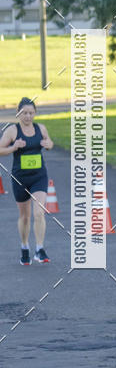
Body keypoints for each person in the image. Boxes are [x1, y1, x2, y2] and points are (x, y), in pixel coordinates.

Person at [0, 97, 54, 265]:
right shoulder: (12, 131)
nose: (28, 116)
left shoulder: (41, 128)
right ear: (18, 113)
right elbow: (1, 149)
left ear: (35, 113)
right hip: (20, 178)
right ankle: (24, 246)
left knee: (39, 213)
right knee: (25, 217)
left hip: (39, 176)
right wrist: (14, 147)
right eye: (24, 113)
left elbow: (49, 143)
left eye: (31, 113)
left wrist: (48, 144)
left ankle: (39, 248)